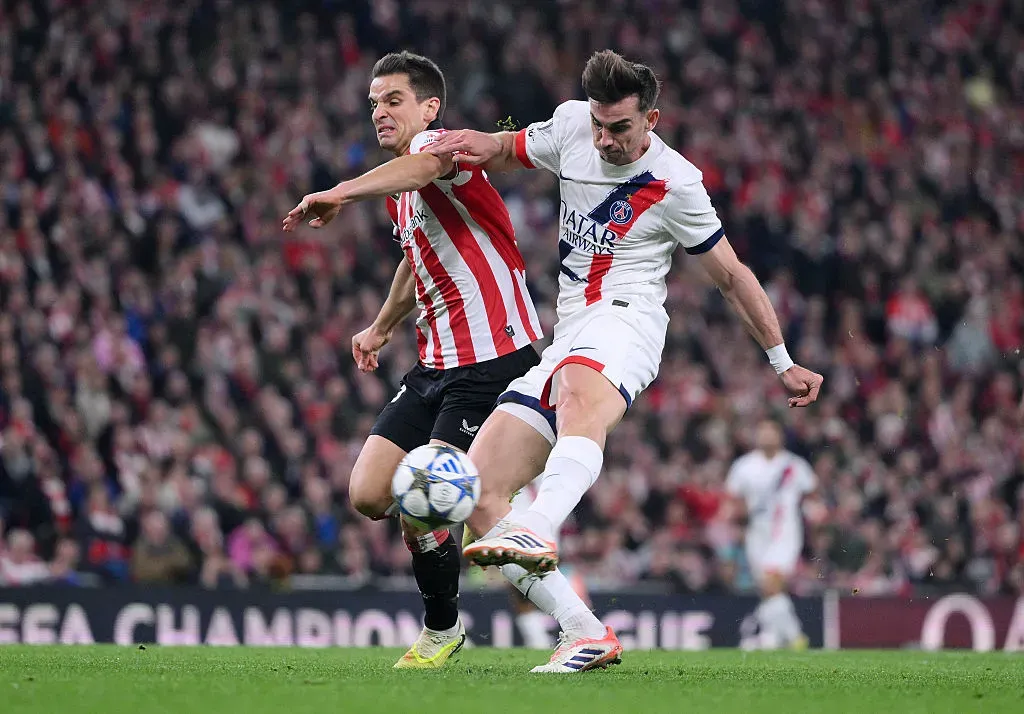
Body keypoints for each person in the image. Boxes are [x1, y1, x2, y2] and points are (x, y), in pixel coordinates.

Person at [421, 49, 824, 671]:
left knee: (580, 392)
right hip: (572, 329)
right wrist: (469, 141)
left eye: (621, 128)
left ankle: (542, 524)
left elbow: (732, 276)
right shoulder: (571, 126)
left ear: (652, 119)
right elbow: (507, 148)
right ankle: (584, 632)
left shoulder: (677, 183)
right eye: (600, 124)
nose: (605, 139)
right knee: (479, 492)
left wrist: (781, 360)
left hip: (629, 321)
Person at [282, 51, 606, 670]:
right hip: (435, 365)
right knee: (370, 493)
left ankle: (463, 629)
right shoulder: (401, 193)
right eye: (374, 103)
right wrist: (380, 327)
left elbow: (424, 165)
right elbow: (416, 259)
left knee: (431, 499)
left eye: (393, 100)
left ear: (430, 107)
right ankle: (499, 593)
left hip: (492, 362)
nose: (379, 112)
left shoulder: (443, 150)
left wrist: (338, 192)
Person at [726, 420, 816, 649]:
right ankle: (779, 638)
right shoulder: (744, 466)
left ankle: (793, 637)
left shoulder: (794, 465)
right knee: (767, 590)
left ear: (780, 436)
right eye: (762, 431)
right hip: (757, 534)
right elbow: (734, 500)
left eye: (770, 432)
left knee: (771, 584)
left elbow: (811, 494)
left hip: (785, 534)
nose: (765, 436)